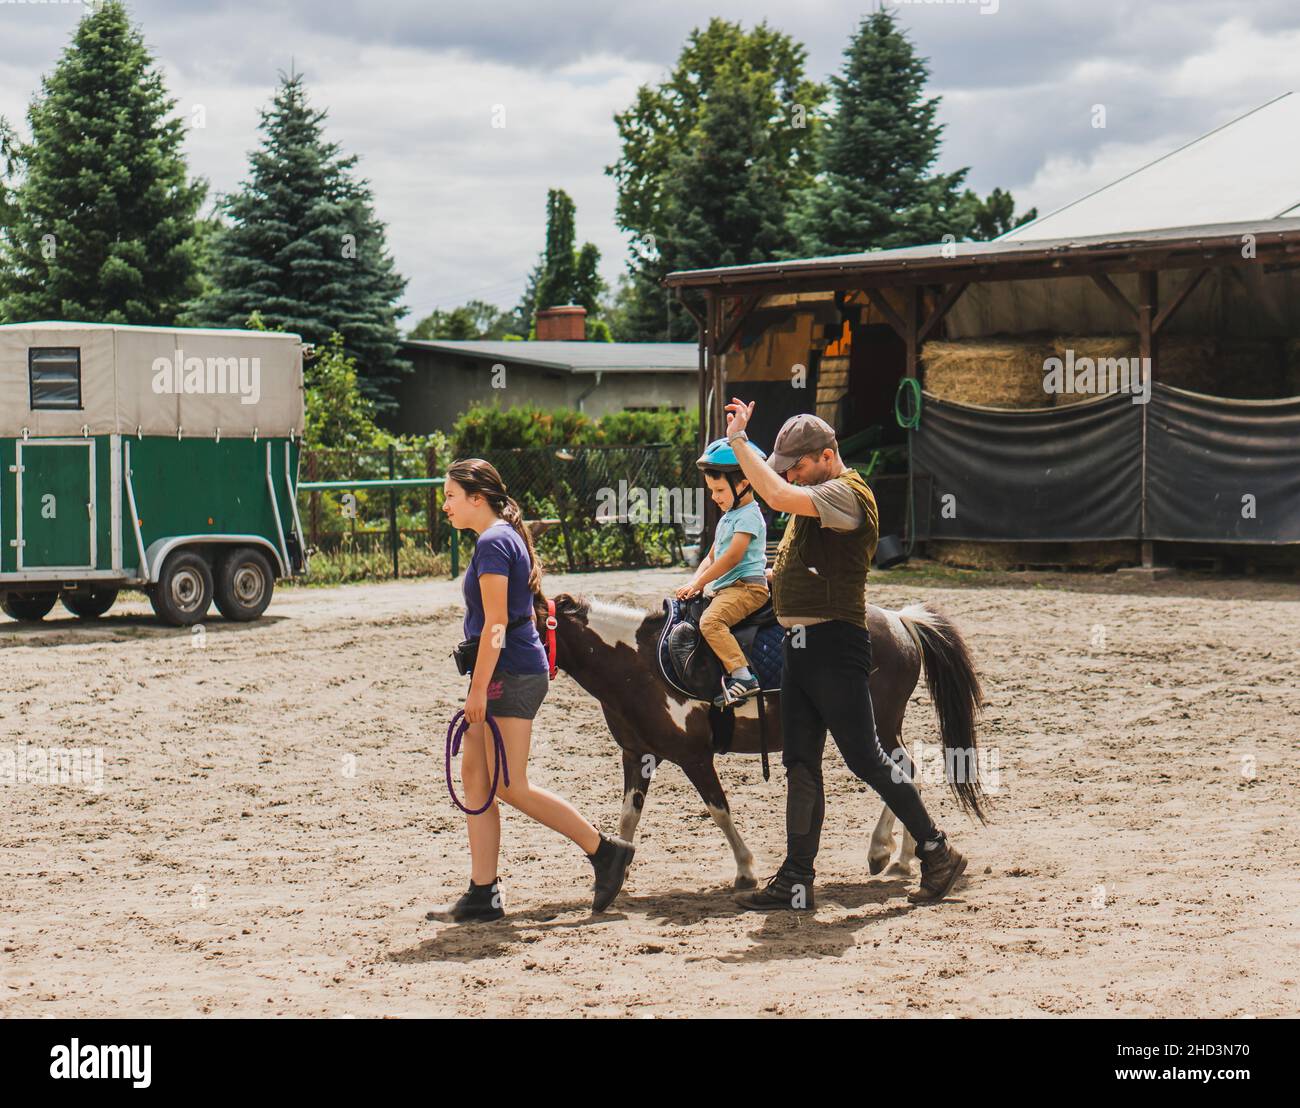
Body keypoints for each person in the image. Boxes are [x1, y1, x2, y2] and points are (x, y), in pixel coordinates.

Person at [719, 404, 968, 910]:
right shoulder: (814, 496)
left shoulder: (846, 494)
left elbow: (775, 492)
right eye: (787, 466)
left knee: (866, 757)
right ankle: (796, 877)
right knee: (800, 762)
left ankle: (937, 850)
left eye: (798, 465)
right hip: (802, 648)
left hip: (835, 644)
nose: (790, 473)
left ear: (828, 456)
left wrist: (740, 441)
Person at [433, 458, 634, 923]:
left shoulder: (492, 542)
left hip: (511, 671)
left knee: (509, 783)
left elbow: (497, 625)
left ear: (476, 499)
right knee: (477, 778)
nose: (444, 505)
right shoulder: (501, 536)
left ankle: (604, 851)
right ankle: (483, 892)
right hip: (509, 667)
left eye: (450, 496)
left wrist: (479, 688)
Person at [675, 437, 770, 707]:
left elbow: (731, 558)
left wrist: (701, 582)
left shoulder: (749, 515)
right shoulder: (729, 515)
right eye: (711, 490)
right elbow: (712, 556)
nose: (714, 497)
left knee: (710, 622)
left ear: (743, 484)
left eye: (719, 490)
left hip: (747, 589)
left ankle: (743, 675)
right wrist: (694, 582)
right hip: (727, 587)